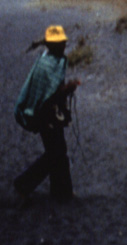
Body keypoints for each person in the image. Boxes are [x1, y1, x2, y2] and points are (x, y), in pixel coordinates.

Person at [13, 25, 80, 204]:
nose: (64, 45)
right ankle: (23, 184)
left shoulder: (52, 61)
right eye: (61, 43)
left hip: (52, 114)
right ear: (54, 45)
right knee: (54, 154)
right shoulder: (46, 64)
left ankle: (62, 192)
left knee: (59, 151)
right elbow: (51, 93)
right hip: (45, 115)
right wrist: (68, 88)